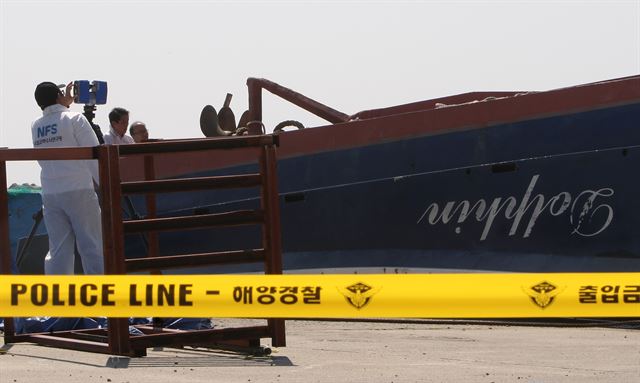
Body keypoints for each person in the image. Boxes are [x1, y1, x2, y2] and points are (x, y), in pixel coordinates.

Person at [31, 81, 104, 275]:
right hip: (79, 190)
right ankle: (101, 293)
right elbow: (96, 156)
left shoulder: (36, 125)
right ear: (57, 96)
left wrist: (64, 103)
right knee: (92, 246)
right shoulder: (76, 119)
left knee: (58, 250)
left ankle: (58, 296)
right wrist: (108, 184)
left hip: (51, 192)